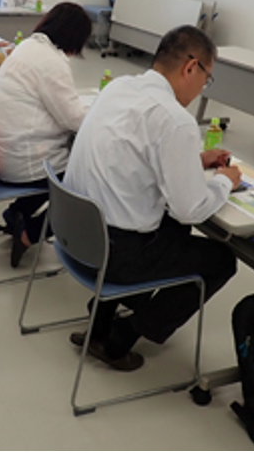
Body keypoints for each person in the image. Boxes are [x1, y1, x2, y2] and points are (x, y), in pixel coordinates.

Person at [61, 25, 241, 372]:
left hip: (77, 238)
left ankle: (100, 321)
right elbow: (191, 209)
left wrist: (193, 160)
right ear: (191, 67)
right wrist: (224, 182)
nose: (202, 88)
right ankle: (121, 338)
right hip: (113, 254)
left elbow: (133, 156)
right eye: (206, 78)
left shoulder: (118, 87)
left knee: (172, 229)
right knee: (221, 260)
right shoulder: (175, 119)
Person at [0, 3, 95, 267]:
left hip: (1, 152)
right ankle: (30, 233)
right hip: (22, 160)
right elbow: (73, 118)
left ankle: (16, 213)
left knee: (64, 164)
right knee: (88, 183)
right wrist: (98, 113)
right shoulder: (51, 62)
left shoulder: (27, 46)